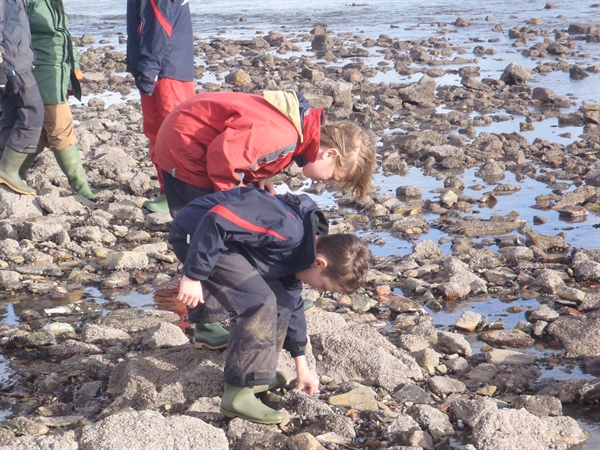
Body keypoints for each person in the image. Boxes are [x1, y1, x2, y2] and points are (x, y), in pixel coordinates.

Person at [156, 89, 377, 349]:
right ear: (330, 155)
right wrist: (238, 204)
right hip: (187, 147)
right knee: (211, 230)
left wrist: (260, 175)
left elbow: (247, 149)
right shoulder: (282, 135)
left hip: (197, 139)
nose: (324, 182)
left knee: (236, 227)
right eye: (332, 177)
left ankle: (245, 295)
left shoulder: (298, 134)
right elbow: (222, 158)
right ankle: (207, 321)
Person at [169, 187, 371, 424]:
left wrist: (302, 366)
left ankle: (258, 375)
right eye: (324, 286)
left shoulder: (302, 254)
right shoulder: (286, 229)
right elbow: (217, 219)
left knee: (281, 302)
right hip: (197, 232)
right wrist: (194, 275)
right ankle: (238, 395)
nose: (319, 291)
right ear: (320, 263)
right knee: (258, 301)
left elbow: (292, 304)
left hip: (227, 242)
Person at [126, 0, 196, 213]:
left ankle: (180, 195)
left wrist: (148, 69)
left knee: (174, 133)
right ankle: (169, 191)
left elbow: (160, 24)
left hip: (166, 69)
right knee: (157, 131)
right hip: (161, 66)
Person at [23, 0, 95, 200]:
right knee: (60, 128)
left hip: (58, 70)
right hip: (40, 70)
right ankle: (82, 189)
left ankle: (10, 176)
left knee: (40, 134)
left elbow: (62, 35)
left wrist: (74, 62)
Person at [0, 0, 44, 196]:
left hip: (16, 61)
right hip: (13, 63)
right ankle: (8, 170)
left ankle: (3, 166)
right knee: (33, 112)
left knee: (11, 114)